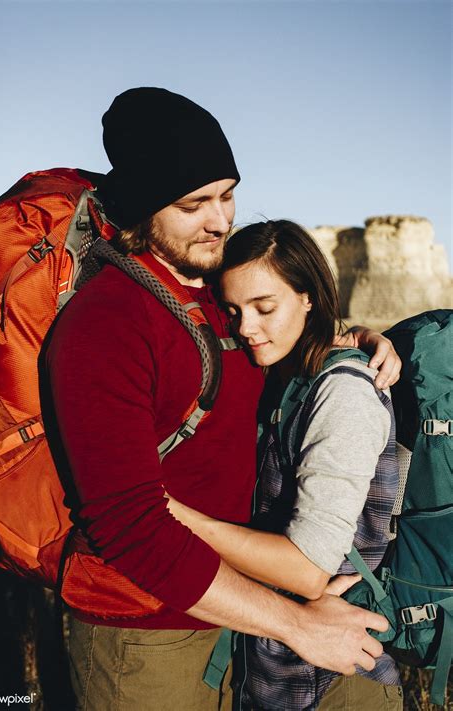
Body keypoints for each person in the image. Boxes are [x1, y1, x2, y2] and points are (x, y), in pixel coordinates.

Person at [45, 88, 400, 710]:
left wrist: (353, 339)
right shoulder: (106, 325)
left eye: (227, 195)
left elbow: (282, 338)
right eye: (194, 203)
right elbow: (128, 527)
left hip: (237, 619)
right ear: (143, 204)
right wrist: (296, 625)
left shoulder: (219, 294)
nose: (220, 220)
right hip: (143, 636)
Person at [166, 219, 403, 710]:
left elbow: (308, 571)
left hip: (343, 674)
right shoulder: (287, 375)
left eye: (264, 307)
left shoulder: (342, 393)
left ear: (309, 296)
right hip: (284, 666)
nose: (245, 327)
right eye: (233, 310)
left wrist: (167, 514)